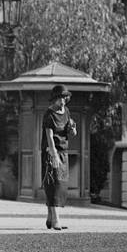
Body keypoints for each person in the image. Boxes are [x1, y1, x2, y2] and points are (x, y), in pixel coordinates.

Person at [42, 84, 76, 230]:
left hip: (63, 151)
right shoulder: (49, 114)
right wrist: (54, 154)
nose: (62, 101)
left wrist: (73, 129)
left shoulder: (66, 111)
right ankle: (56, 219)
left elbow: (72, 131)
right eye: (59, 98)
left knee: (60, 184)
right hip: (51, 152)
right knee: (53, 184)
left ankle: (50, 217)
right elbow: (49, 135)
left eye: (64, 97)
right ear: (54, 99)